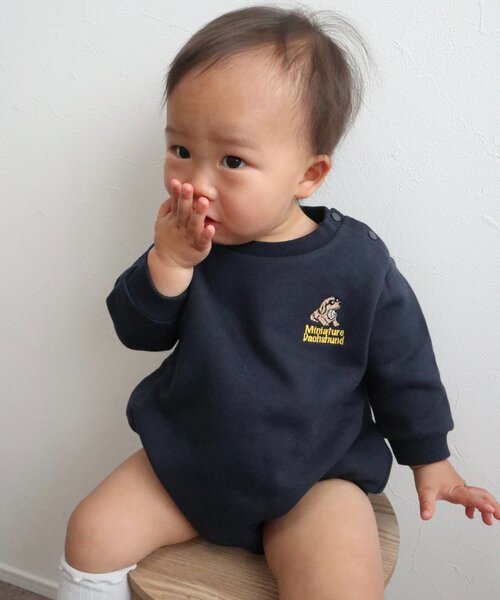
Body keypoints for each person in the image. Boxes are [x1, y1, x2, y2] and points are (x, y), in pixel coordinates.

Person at [56, 5, 500, 600]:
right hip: (190, 457)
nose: (198, 183)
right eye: (181, 149)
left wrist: (431, 459)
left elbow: (406, 367)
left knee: (342, 584)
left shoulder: (358, 263)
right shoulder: (188, 242)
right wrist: (169, 263)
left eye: (232, 161)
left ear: (308, 175)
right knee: (90, 531)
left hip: (318, 477)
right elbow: (138, 331)